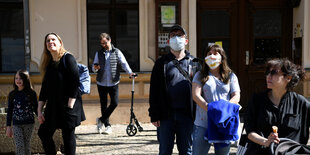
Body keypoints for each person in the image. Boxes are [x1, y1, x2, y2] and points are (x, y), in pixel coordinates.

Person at [149, 24, 200, 155]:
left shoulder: (195, 63)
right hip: (166, 115)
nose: (176, 38)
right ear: (168, 41)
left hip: (188, 116)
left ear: (186, 41)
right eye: (173, 36)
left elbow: (202, 90)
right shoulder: (161, 63)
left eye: (180, 35)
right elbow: (154, 90)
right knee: (165, 151)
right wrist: (154, 114)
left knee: (187, 151)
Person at [244, 58, 310, 154]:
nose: (268, 76)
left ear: (288, 78)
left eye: (274, 73)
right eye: (267, 72)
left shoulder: (301, 103)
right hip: (261, 152)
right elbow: (250, 132)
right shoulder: (256, 100)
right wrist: (266, 141)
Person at [37, 32, 86, 155]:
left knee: (67, 135)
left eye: (53, 39)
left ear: (60, 43)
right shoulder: (49, 64)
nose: (50, 42)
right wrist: (39, 110)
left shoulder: (68, 58)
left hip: (68, 104)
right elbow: (44, 89)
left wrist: (70, 105)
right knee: (43, 133)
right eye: (48, 41)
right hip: (54, 105)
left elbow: (75, 81)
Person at [191, 44, 241, 155]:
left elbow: (236, 95)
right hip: (203, 123)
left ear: (222, 57)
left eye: (215, 53)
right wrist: (211, 109)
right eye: (209, 54)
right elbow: (196, 95)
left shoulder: (231, 76)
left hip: (224, 123)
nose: (212, 56)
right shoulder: (199, 75)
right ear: (205, 57)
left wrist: (223, 110)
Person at [93, 33, 135, 134]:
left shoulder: (117, 52)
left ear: (110, 40)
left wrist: (130, 73)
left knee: (114, 103)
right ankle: (107, 126)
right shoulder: (98, 53)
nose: (103, 45)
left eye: (105, 43)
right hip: (101, 82)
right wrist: (95, 68)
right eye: (102, 44)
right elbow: (93, 67)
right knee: (103, 104)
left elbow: (124, 63)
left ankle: (101, 120)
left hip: (113, 82)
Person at [6, 69, 38, 155]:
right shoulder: (12, 94)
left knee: (26, 145)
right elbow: (9, 111)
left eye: (21, 78)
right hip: (16, 124)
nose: (18, 80)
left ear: (26, 79)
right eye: (16, 78)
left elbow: (36, 108)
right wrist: (8, 126)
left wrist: (41, 117)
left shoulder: (31, 93)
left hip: (29, 124)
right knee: (19, 145)